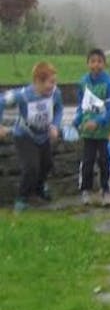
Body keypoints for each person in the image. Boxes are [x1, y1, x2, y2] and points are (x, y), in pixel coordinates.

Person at [2, 61, 64, 211]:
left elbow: (59, 109)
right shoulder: (23, 95)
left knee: (47, 164)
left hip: (43, 135)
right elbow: (1, 101)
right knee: (31, 167)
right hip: (25, 135)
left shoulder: (55, 93)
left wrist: (55, 125)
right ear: (37, 82)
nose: (53, 86)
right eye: (50, 82)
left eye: (54, 81)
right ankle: (22, 198)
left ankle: (39, 189)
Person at [74, 48, 110, 207]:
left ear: (104, 64)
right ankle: (85, 190)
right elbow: (81, 105)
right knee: (87, 161)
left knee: (105, 160)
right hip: (88, 131)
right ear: (88, 64)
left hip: (104, 131)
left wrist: (99, 122)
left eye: (99, 61)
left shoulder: (109, 83)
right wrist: (76, 121)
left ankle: (106, 190)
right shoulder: (83, 82)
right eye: (92, 61)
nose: (96, 65)